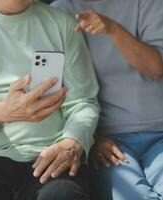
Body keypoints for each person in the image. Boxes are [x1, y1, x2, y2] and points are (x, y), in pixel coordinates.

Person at [0, 0, 100, 200]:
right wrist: (1, 111)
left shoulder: (63, 24)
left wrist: (72, 142)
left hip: (51, 156)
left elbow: (83, 101)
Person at [51, 0, 163, 199]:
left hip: (158, 131)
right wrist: (90, 139)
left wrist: (112, 28)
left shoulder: (148, 3)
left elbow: (156, 68)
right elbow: (57, 93)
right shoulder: (59, 11)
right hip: (107, 140)